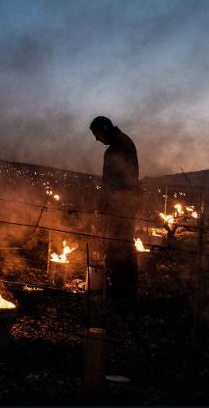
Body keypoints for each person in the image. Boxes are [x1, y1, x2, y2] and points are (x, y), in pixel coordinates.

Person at [90, 115, 140, 308]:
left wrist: (102, 207)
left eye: (97, 135)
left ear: (104, 129)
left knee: (119, 248)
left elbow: (109, 183)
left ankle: (119, 294)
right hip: (126, 205)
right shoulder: (126, 142)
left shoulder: (115, 150)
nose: (97, 139)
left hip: (121, 207)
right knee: (124, 247)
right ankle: (124, 292)